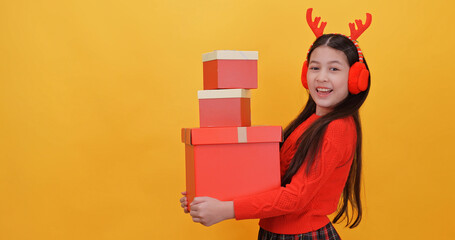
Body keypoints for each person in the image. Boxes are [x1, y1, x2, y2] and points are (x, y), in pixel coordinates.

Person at [180, 8, 372, 239]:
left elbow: (295, 197)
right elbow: (270, 178)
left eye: (334, 69)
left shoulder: (337, 128)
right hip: (276, 232)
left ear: (355, 78)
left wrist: (224, 209)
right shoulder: (311, 122)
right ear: (305, 74)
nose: (321, 77)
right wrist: (211, 195)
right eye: (314, 67)